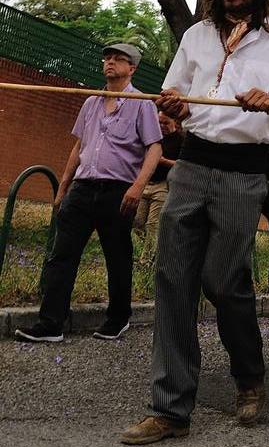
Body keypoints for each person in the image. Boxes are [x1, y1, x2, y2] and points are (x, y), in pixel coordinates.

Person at [121, 0, 269, 446]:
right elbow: (175, 102)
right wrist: (175, 110)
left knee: (223, 280)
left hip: (244, 171)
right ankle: (169, 409)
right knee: (172, 280)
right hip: (191, 163)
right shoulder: (196, 36)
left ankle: (250, 378)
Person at [15, 43, 162, 343]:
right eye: (107, 58)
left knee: (117, 257)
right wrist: (64, 187)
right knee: (62, 255)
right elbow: (78, 147)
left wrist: (137, 187)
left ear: (131, 68)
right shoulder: (91, 102)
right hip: (82, 190)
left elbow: (155, 148)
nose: (110, 63)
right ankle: (51, 324)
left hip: (118, 191)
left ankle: (118, 318)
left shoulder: (142, 103)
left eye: (118, 59)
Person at [133, 112, 183, 265]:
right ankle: (149, 249)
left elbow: (182, 165)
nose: (161, 126)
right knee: (137, 221)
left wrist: (162, 161)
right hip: (146, 182)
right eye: (159, 122)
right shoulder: (152, 137)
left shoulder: (181, 140)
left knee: (153, 223)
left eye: (165, 123)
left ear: (174, 122)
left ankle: (146, 261)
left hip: (163, 184)